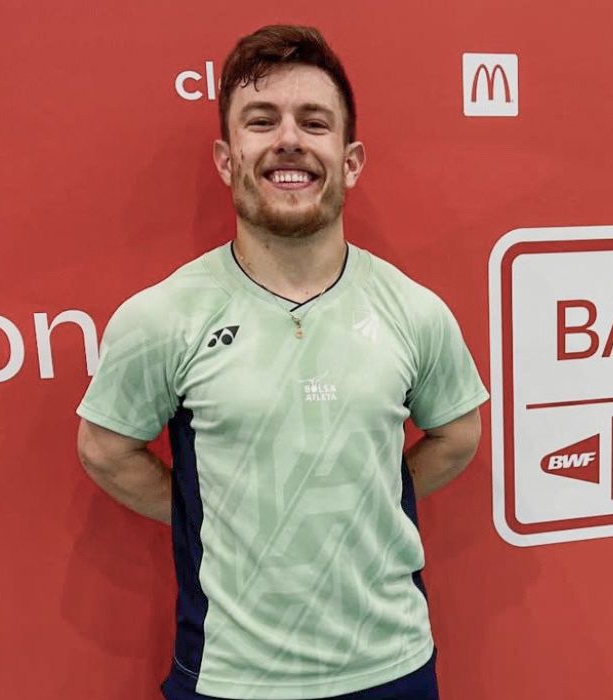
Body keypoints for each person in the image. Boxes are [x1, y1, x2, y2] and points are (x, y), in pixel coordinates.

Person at [75, 24, 488, 700]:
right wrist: (223, 519)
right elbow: (104, 448)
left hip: (393, 667)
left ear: (350, 161)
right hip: (231, 677)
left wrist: (363, 496)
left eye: (314, 122)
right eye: (261, 121)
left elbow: (458, 434)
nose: (289, 139)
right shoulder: (163, 317)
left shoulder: (414, 310)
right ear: (226, 158)